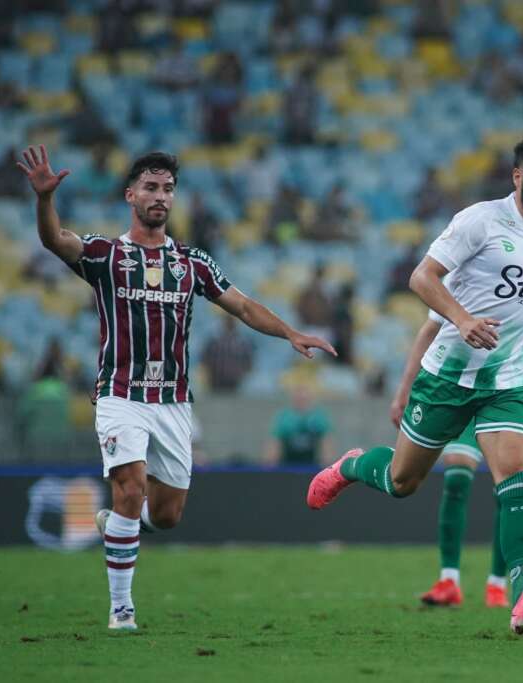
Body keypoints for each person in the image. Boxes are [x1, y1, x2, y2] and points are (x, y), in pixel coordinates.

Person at [17, 146, 335, 631]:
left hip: (172, 402)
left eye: (167, 188)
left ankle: (119, 525)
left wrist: (290, 332)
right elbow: (55, 240)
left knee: (167, 516)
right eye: (150, 187)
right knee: (130, 485)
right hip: (120, 394)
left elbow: (245, 307)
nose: (160, 196)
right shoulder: (106, 255)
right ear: (131, 195)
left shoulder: (192, 262)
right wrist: (44, 201)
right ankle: (121, 609)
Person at [307, 135, 523, 635]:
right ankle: (352, 465)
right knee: (403, 482)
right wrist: (463, 317)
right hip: (448, 377)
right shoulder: (480, 221)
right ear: (518, 177)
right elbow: (422, 277)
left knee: (517, 478)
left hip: (510, 382)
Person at [391, 288, 523, 609]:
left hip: (508, 392)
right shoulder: (470, 264)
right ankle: (449, 579)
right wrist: (405, 387)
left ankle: (498, 584)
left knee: (509, 485)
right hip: (459, 386)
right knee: (456, 476)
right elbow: (431, 327)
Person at [264, 384, 334, 466]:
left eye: (304, 399)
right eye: (299, 398)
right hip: (287, 464)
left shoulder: (319, 417)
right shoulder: (284, 417)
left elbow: (326, 443)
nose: (302, 401)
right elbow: (275, 443)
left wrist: (327, 466)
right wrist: (270, 465)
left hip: (312, 464)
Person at [201, 314, 254, 393]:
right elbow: (205, 358)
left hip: (235, 381)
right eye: (228, 321)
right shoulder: (215, 341)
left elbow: (248, 361)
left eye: (231, 321)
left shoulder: (242, 343)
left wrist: (241, 373)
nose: (230, 323)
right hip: (216, 380)